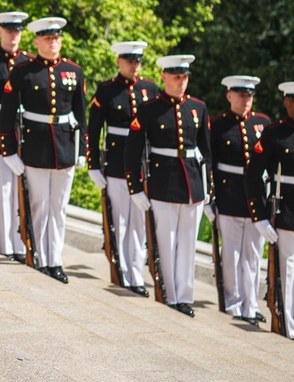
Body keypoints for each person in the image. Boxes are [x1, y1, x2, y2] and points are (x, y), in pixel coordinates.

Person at [0, 17, 87, 285]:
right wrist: (9, 151)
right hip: (35, 149)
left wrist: (82, 150)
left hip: (65, 149)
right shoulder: (24, 71)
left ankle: (55, 260)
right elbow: (7, 114)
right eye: (48, 38)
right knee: (39, 206)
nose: (53, 42)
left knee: (59, 208)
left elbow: (81, 115)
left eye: (56, 37)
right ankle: (37, 256)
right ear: (36, 41)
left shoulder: (73, 71)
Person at [124, 54, 211, 318]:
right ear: (164, 77)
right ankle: (169, 294)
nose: (181, 81)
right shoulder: (150, 109)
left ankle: (185, 297)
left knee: (187, 245)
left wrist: (208, 189)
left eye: (185, 77)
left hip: (193, 185)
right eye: (176, 77)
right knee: (166, 243)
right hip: (163, 184)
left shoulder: (198, 107)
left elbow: (206, 152)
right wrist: (135, 187)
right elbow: (133, 150)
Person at [86, 41, 158, 296]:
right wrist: (93, 164)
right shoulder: (107, 90)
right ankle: (124, 273)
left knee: (139, 223)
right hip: (116, 164)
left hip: (142, 166)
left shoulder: (151, 89)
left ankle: (136, 274)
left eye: (137, 60)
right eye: (129, 60)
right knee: (122, 221)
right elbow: (93, 130)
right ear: (118, 61)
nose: (133, 65)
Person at [209, 75, 271, 324]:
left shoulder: (263, 123)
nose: (245, 99)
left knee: (254, 254)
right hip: (230, 195)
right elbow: (211, 162)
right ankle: (234, 304)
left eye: (249, 95)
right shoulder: (218, 124)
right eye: (241, 94)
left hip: (256, 198)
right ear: (229, 96)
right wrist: (209, 198)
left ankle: (251, 305)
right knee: (232, 253)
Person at [245, 81, 294, 338]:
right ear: (286, 102)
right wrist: (260, 217)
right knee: (286, 274)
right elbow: (253, 176)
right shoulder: (274, 133)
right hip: (285, 211)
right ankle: (287, 327)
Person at [0, 11, 31, 262]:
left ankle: (21, 244)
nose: (13, 35)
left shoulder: (28, 62)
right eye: (9, 30)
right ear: (0, 32)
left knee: (22, 194)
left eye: (17, 31)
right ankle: (5, 244)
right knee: (2, 193)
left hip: (23, 138)